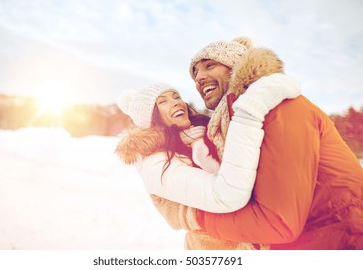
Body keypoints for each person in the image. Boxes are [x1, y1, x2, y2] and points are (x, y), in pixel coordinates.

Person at [140, 36, 363, 249]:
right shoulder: (235, 125)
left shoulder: (281, 108)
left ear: (236, 65)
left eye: (209, 66)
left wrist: (193, 218)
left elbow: (277, 223)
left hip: (343, 239)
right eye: (195, 73)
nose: (198, 78)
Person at [116, 64, 301, 248]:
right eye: (162, 102)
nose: (176, 103)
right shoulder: (155, 163)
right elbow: (225, 195)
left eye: (176, 96)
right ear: (151, 118)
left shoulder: (204, 134)